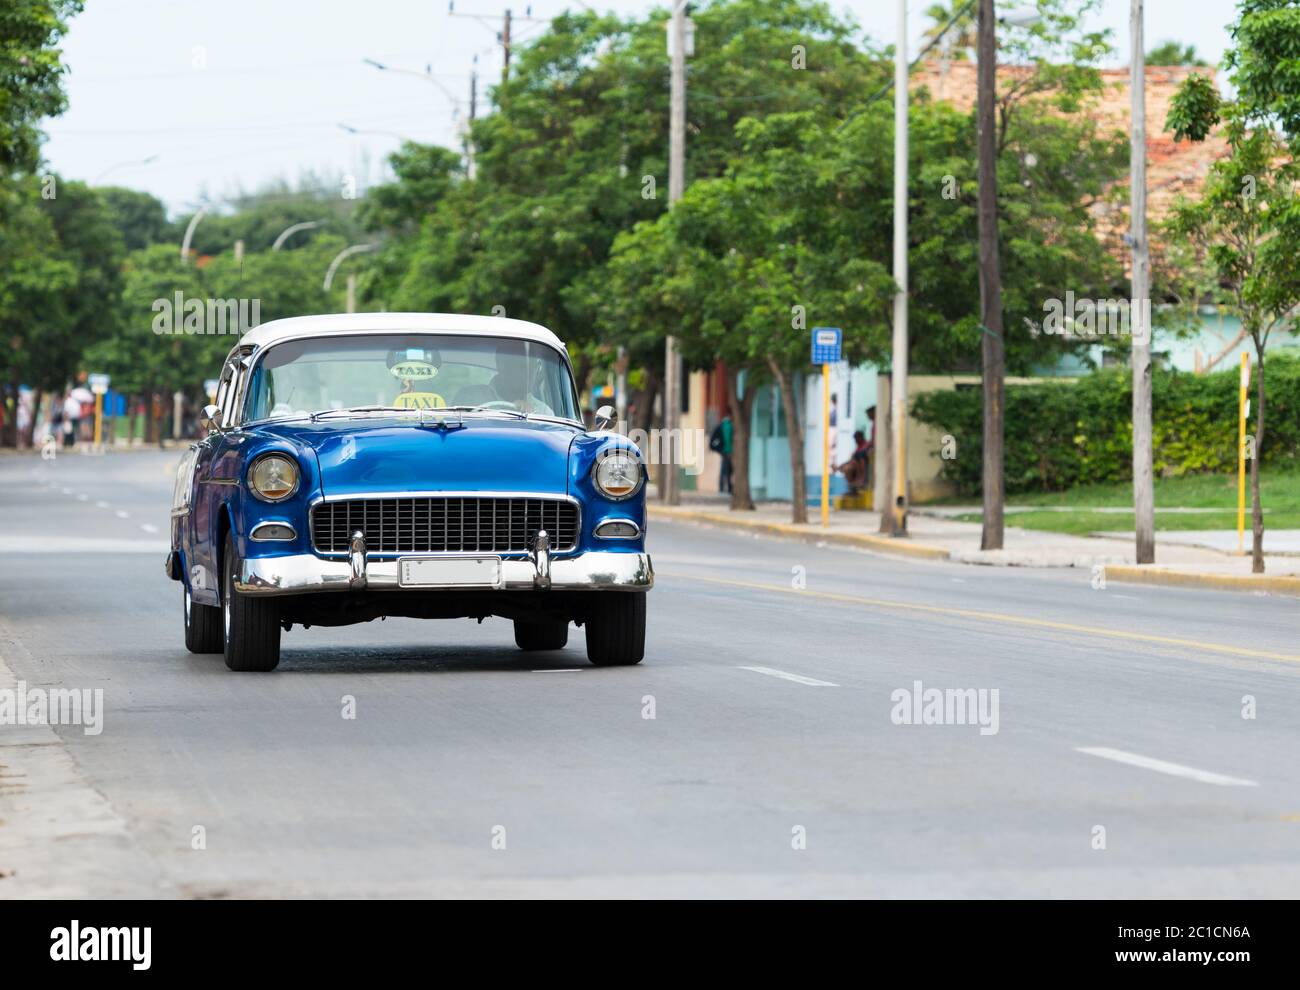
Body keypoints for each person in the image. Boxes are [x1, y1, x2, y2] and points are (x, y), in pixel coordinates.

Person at [709, 412, 734, 493]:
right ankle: (727, 489)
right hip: (729, 452)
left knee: (724, 471)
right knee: (729, 471)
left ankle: (722, 488)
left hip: (725, 452)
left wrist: (716, 448)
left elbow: (712, 440)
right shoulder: (732, 426)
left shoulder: (721, 426)